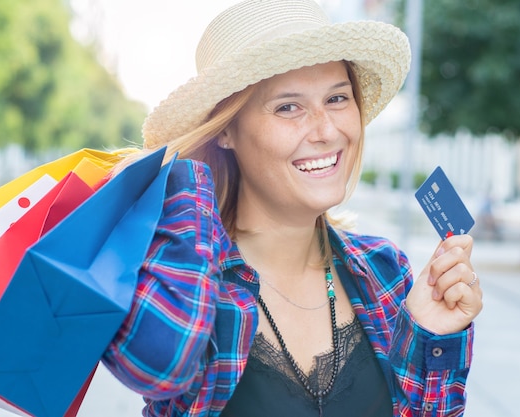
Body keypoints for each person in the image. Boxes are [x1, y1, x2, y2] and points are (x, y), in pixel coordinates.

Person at [102, 0, 484, 416]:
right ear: (227, 130)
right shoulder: (183, 283)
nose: (326, 130)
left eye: (337, 98)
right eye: (289, 107)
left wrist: (431, 335)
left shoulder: (384, 270)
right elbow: (156, 372)